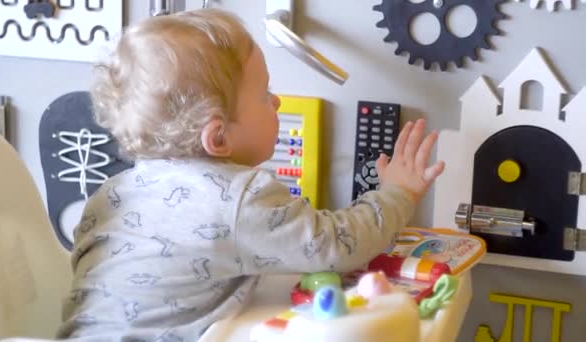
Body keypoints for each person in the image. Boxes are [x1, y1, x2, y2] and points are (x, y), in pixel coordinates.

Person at [57, 8, 445, 341]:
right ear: (219, 136)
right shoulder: (240, 197)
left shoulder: (112, 191)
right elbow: (336, 247)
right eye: (264, 93)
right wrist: (397, 193)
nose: (276, 101)